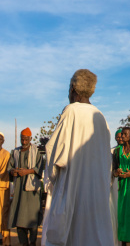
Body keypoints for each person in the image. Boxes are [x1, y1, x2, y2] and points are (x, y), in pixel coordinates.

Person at [45, 68, 113, 246]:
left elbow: (55, 150)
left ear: (73, 88)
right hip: (97, 189)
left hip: (74, 186)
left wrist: (51, 177)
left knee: (74, 233)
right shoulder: (101, 116)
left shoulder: (71, 111)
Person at [8, 127, 45, 246]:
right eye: (22, 139)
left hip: (32, 190)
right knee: (19, 217)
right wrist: (12, 171)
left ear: (30, 138)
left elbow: (40, 167)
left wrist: (27, 171)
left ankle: (33, 242)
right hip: (19, 189)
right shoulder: (15, 152)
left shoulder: (37, 151)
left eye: (26, 139)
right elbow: (10, 167)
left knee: (32, 219)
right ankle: (24, 243)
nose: (23, 142)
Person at [110, 129, 124, 246]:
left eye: (122, 136)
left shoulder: (129, 150)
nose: (120, 138)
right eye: (118, 137)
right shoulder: (112, 151)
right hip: (115, 183)